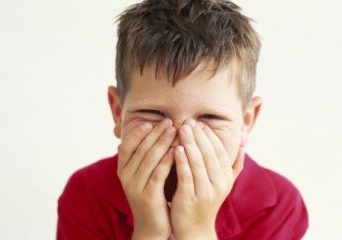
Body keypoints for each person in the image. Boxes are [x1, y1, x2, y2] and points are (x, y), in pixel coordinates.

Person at [56, 0, 309, 239]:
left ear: (246, 122)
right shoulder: (85, 195)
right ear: (118, 112)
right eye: (153, 113)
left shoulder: (279, 206)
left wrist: (196, 231)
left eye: (210, 117)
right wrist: (150, 230)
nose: (181, 138)